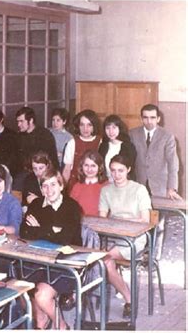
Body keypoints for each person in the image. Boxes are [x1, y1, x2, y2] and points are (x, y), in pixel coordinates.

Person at [20, 169, 82, 330]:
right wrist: (51, 230)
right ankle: (41, 322)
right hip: (39, 259)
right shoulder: (36, 204)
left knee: (41, 295)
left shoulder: (72, 207)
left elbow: (65, 239)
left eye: (53, 184)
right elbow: (24, 232)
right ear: (41, 190)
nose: (49, 190)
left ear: (61, 186)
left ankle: (61, 326)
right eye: (45, 186)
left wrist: (39, 229)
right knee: (19, 287)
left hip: (66, 264)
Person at [99, 154, 152, 319]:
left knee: (105, 259)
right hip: (113, 235)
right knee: (93, 255)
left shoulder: (139, 189)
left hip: (134, 238)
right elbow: (101, 219)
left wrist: (121, 220)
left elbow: (145, 220)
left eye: (121, 171)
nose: (116, 175)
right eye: (113, 171)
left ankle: (129, 300)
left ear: (128, 170)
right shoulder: (106, 190)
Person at [129, 104, 182, 200]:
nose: (149, 121)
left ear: (158, 119)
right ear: (141, 119)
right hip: (138, 186)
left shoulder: (167, 136)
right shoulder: (132, 134)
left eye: (152, 118)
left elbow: (173, 164)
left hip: (160, 188)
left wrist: (171, 188)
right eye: (145, 118)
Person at [15, 106, 58, 189]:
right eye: (17, 121)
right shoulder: (19, 136)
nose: (18, 124)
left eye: (21, 121)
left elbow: (51, 160)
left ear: (30, 120)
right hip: (24, 173)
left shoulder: (44, 135)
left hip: (43, 173)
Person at [62, 109, 101, 189]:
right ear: (78, 126)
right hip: (76, 185)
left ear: (94, 126)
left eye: (89, 125)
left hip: (95, 185)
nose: (85, 129)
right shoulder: (72, 143)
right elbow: (67, 170)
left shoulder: (101, 142)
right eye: (82, 125)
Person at [98, 114, 137, 181]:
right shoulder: (103, 146)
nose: (111, 131)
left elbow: (130, 170)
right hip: (106, 182)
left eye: (114, 127)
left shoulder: (128, 147)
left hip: (123, 183)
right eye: (108, 128)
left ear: (120, 129)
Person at [70, 150, 107, 216]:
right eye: (86, 165)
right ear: (82, 166)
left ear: (100, 167)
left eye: (93, 166)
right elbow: (71, 209)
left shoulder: (106, 186)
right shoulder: (77, 186)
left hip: (99, 223)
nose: (89, 169)